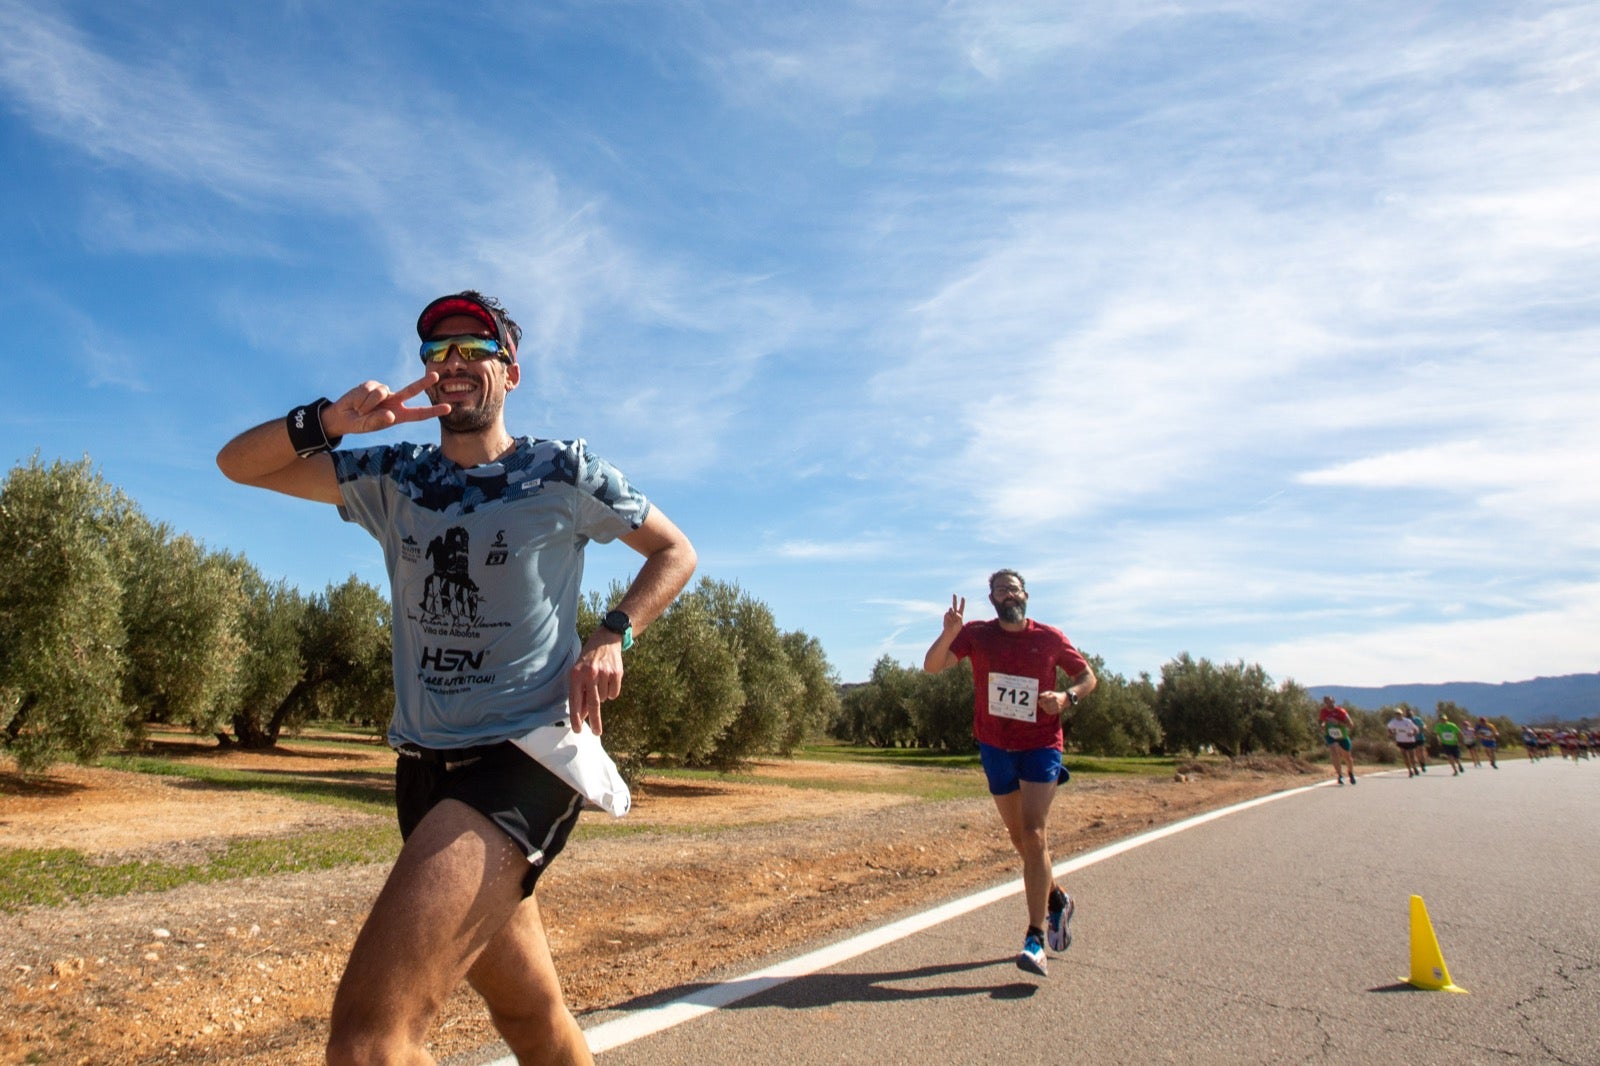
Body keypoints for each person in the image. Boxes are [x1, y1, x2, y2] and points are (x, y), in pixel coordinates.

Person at [217, 291, 697, 1065]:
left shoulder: (562, 470)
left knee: (370, 1043)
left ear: (510, 369)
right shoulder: (392, 477)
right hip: (424, 773)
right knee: (533, 1021)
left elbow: (675, 552)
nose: (452, 364)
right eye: (437, 353)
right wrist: (332, 423)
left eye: (473, 348)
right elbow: (238, 465)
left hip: (525, 760)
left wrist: (614, 633)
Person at [923, 569, 1096, 977]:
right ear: (992, 598)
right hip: (995, 746)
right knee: (1019, 837)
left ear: (1025, 595)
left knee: (1035, 833)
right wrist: (949, 632)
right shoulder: (978, 635)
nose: (1007, 595)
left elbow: (1088, 677)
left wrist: (1066, 697)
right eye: (999, 590)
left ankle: (1035, 938)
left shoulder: (1049, 638)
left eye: (1013, 588)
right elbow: (932, 667)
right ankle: (1056, 899)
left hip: (1040, 744)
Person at [1317, 696, 1357, 786]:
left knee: (1347, 758)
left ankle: (1350, 773)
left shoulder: (1341, 711)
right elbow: (1320, 721)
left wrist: (1338, 722)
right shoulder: (1323, 712)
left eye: (1330, 702)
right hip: (1330, 735)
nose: (1328, 704)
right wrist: (1322, 725)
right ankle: (1340, 775)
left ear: (1334, 701)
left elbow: (1351, 725)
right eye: (1326, 702)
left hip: (1342, 736)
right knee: (1334, 752)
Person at [1387, 708, 1421, 777]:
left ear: (1402, 714)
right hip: (1400, 741)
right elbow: (1388, 729)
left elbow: (1416, 729)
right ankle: (1409, 770)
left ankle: (1414, 767)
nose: (1397, 715)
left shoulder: (1408, 721)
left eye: (1399, 714)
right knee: (1405, 756)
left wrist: (1412, 734)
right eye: (1396, 714)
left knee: (1412, 756)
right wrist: (1392, 734)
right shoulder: (1393, 722)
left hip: (1410, 741)